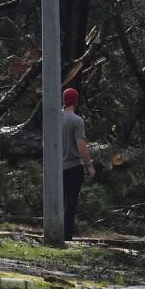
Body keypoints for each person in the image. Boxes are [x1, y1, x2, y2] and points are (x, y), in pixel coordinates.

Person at [61, 88, 94, 241]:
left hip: (57, 167)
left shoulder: (55, 119)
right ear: (75, 101)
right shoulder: (76, 120)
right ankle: (66, 236)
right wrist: (89, 166)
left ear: (63, 100)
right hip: (74, 166)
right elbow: (81, 146)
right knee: (71, 201)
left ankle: (55, 230)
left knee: (59, 201)